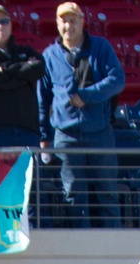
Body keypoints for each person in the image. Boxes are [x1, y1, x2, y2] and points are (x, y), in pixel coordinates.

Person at [41, 1, 122, 226]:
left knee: (107, 192)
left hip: (99, 132)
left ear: (82, 21)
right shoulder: (49, 55)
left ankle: (114, 245)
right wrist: (43, 136)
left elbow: (118, 80)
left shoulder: (101, 47)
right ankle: (80, 250)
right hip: (65, 136)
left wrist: (87, 95)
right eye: (63, 21)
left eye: (72, 20)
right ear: (57, 24)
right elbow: (43, 99)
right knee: (73, 196)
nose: (68, 26)